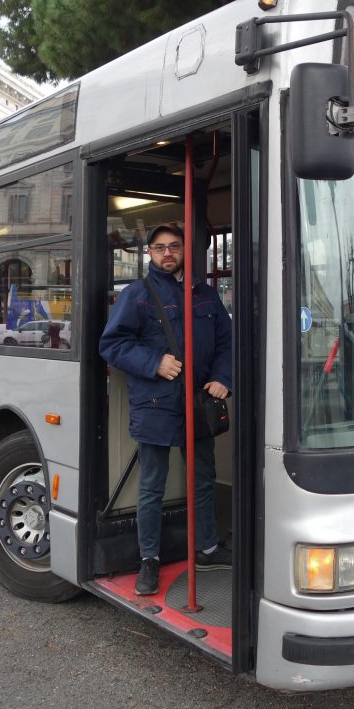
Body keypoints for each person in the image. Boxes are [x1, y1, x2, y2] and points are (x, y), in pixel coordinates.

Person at [99, 223, 232, 595]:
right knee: (152, 486)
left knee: (203, 478)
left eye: (174, 246)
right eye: (160, 248)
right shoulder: (137, 295)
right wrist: (154, 361)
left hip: (199, 402)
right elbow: (111, 345)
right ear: (150, 254)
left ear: (185, 251)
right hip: (155, 404)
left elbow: (227, 341)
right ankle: (150, 560)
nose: (168, 253)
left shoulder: (205, 296)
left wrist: (224, 378)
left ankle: (206, 547)